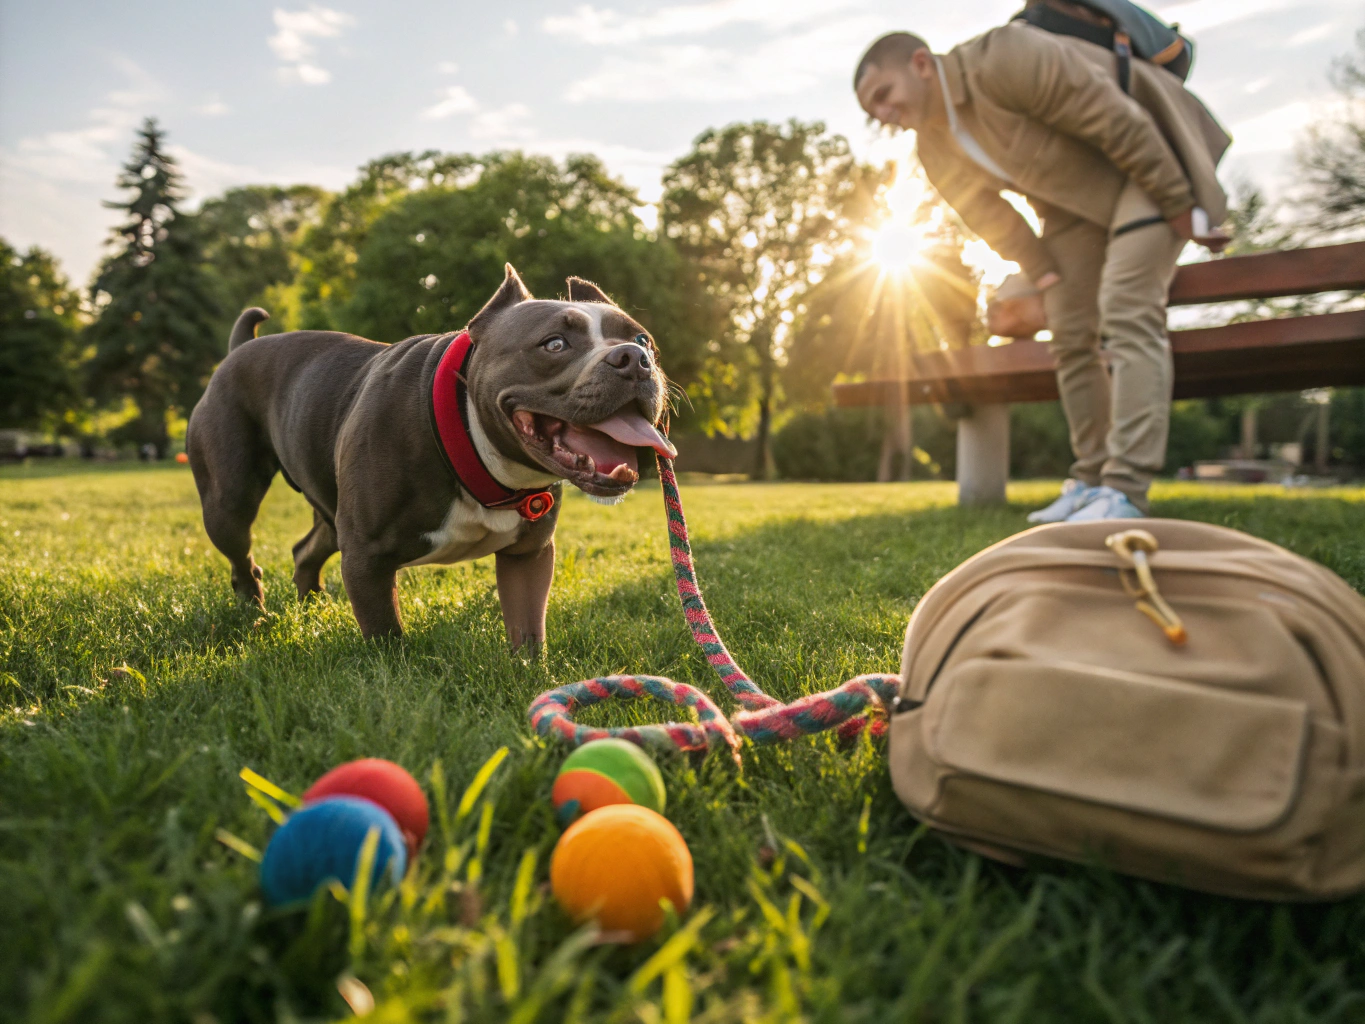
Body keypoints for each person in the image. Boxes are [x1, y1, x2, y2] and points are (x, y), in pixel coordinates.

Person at [854, 22, 1231, 521]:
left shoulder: (1005, 56)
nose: (884, 114)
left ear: (921, 64)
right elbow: (987, 214)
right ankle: (1092, 478)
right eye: (872, 110)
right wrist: (1043, 269)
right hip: (1076, 208)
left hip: (1152, 160)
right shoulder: (933, 146)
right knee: (1070, 329)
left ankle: (1125, 491)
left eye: (884, 94)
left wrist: (1179, 201)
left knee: (1125, 305)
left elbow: (1111, 116)